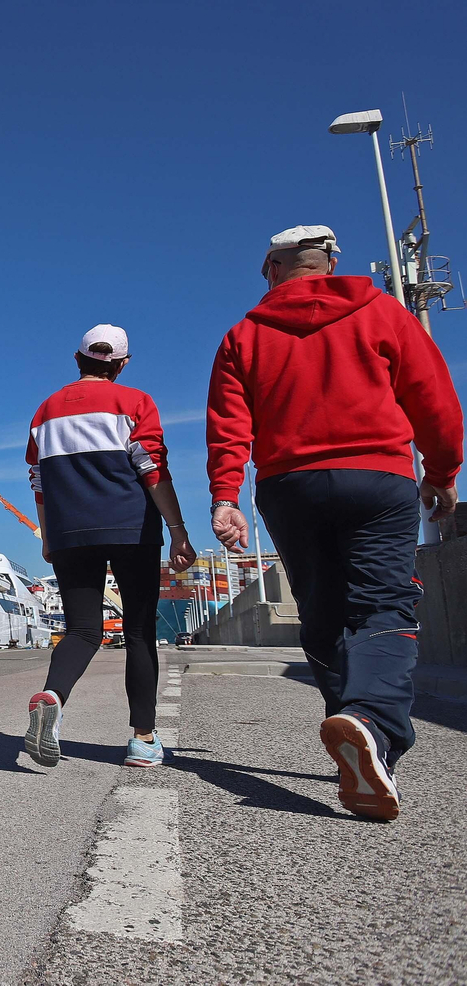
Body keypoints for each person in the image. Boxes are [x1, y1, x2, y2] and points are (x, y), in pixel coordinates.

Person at [208, 224, 463, 821]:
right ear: (330, 263)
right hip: (377, 477)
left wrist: (225, 496)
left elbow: (228, 425)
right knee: (383, 607)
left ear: (272, 270)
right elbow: (434, 398)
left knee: (322, 616)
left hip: (288, 486)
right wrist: (444, 472)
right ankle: (370, 724)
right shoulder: (383, 311)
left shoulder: (243, 336)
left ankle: (353, 725)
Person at [24, 324, 196, 770]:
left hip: (68, 534)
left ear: (77, 358)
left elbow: (38, 480)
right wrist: (178, 528)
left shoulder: (45, 412)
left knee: (83, 630)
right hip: (130, 528)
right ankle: (143, 740)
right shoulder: (134, 401)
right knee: (138, 633)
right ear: (122, 364)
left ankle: (53, 696)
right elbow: (151, 466)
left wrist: (48, 535)